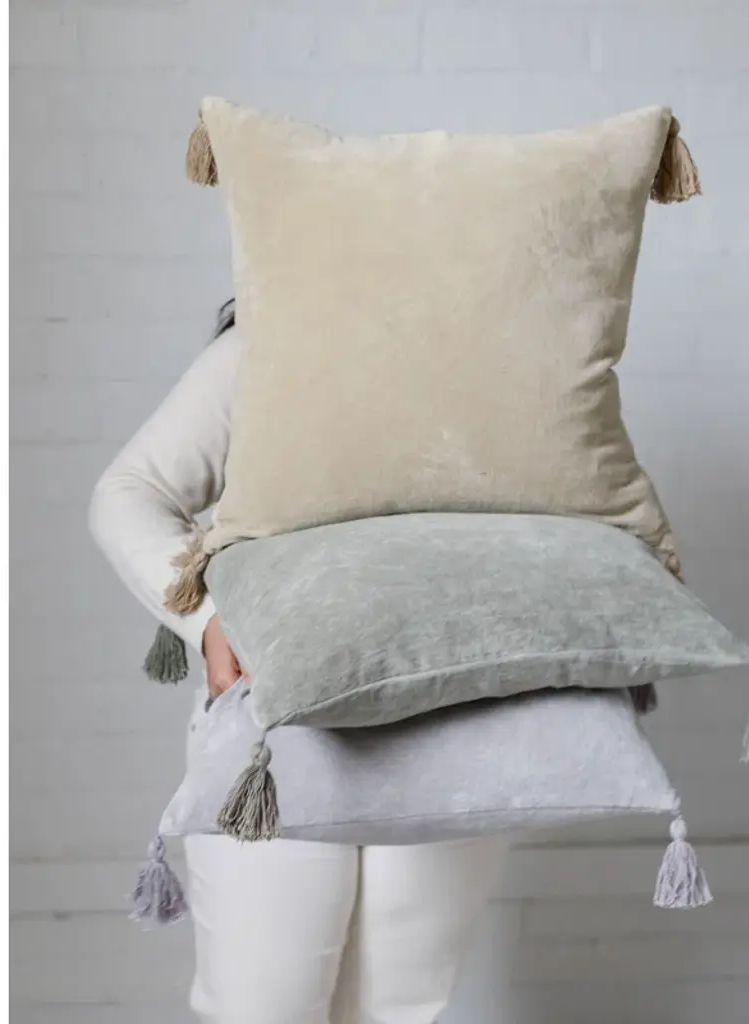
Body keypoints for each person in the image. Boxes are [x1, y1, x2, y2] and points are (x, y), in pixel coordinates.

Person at [89, 300, 511, 1024]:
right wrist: (208, 619)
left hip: (455, 726)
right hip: (276, 736)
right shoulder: (271, 340)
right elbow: (130, 493)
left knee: (400, 1009)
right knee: (264, 1006)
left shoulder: (502, 345)